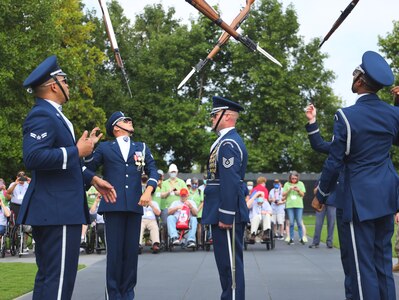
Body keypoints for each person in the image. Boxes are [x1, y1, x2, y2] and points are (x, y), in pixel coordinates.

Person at [20, 55, 116, 300]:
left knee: (50, 277)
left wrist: (93, 178)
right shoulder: (43, 114)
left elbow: (63, 164)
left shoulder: (55, 115)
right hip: (57, 210)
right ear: (54, 85)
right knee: (59, 280)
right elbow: (33, 157)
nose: (68, 84)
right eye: (65, 80)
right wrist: (76, 151)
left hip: (57, 208)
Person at [314, 51, 398, 300]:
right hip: (386, 198)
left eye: (355, 74)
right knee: (382, 266)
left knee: (360, 269)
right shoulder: (393, 114)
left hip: (358, 201)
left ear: (360, 81)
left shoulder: (346, 117)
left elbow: (335, 160)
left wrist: (321, 194)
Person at [84, 110, 158, 299]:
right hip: (113, 205)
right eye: (126, 120)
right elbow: (85, 169)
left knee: (131, 255)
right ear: (116, 128)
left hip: (134, 206)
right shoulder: (104, 148)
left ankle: (128, 295)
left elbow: (153, 171)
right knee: (115, 255)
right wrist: (89, 150)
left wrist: (149, 190)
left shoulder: (141, 147)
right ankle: (114, 295)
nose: (130, 121)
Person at [202, 96, 249, 300]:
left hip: (225, 210)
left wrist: (227, 214)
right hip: (219, 208)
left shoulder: (229, 143)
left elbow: (230, 181)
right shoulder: (223, 141)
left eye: (214, 114)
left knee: (230, 268)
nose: (211, 118)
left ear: (227, 116)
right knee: (225, 266)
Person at [305, 103, 353, 299]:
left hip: (351, 197)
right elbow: (318, 144)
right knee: (352, 258)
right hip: (342, 197)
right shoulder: (340, 145)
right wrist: (312, 121)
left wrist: (321, 195)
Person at [308, 185, 336, 249]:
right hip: (320, 202)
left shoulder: (336, 178)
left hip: (332, 203)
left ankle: (329, 242)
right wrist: (317, 188)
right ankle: (315, 242)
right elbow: (315, 191)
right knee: (318, 223)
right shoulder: (321, 179)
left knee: (331, 224)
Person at [283, 171, 306, 245]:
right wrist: (289, 189)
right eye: (292, 178)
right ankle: (291, 238)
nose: (294, 180)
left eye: (295, 178)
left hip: (299, 205)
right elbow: (283, 194)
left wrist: (298, 190)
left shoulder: (301, 183)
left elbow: (303, 194)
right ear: (290, 178)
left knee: (299, 222)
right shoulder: (287, 184)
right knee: (291, 222)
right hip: (290, 205)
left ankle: (301, 238)